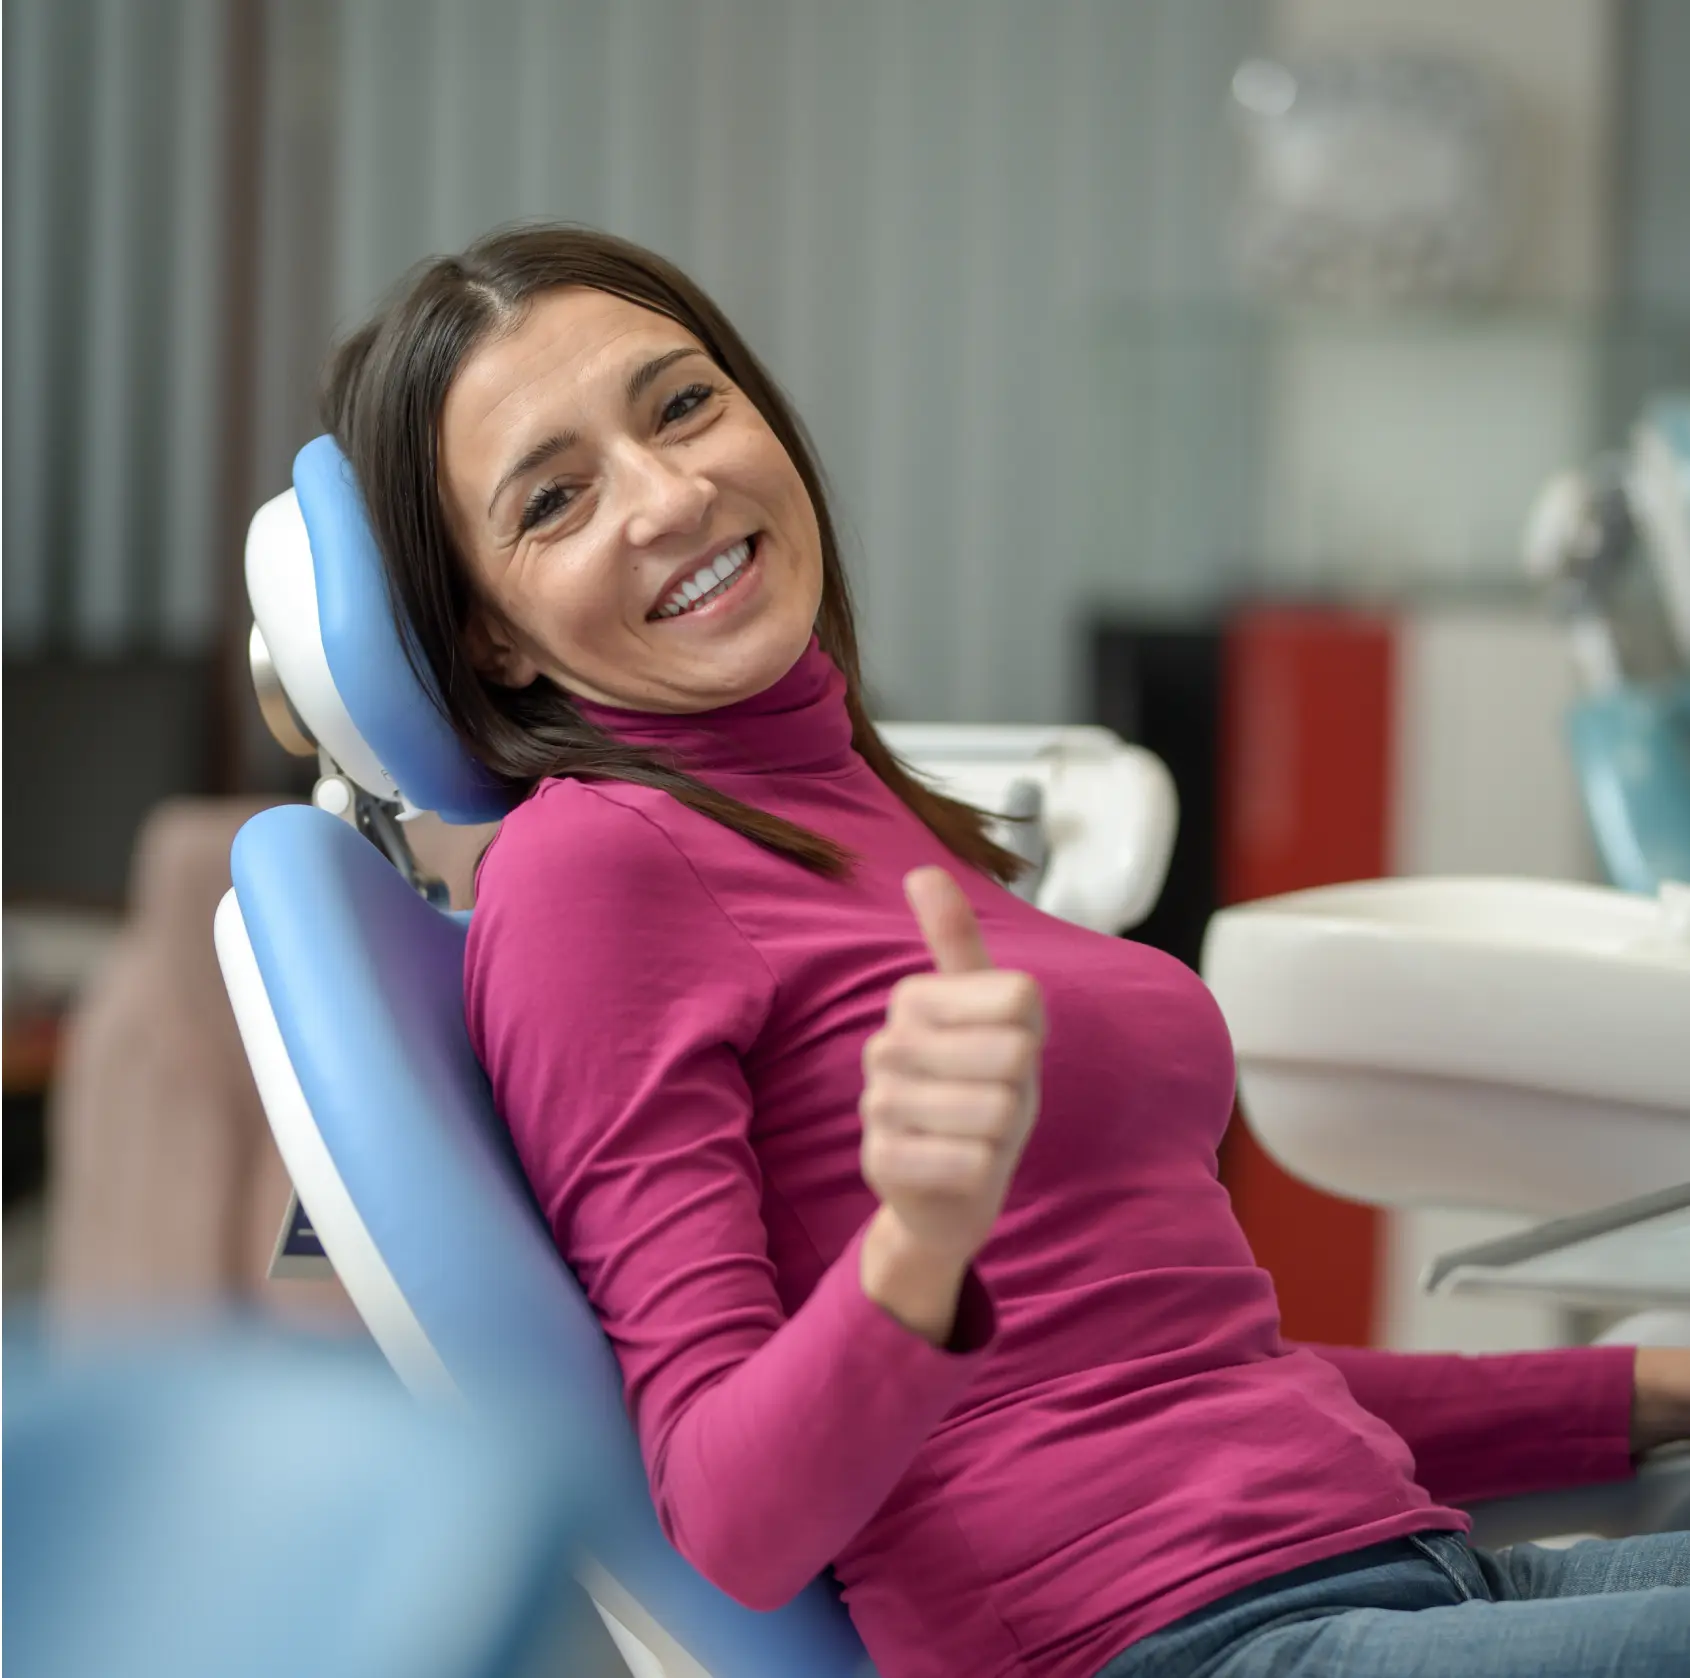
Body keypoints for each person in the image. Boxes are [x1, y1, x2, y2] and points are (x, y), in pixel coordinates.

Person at [321, 224, 1689, 1678]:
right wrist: (917, 1239)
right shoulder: (598, 864)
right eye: (555, 498)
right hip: (1168, 1639)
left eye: (681, 404)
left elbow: (1190, 1377)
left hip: (1380, 1567)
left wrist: (1650, 1386)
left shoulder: (855, 805)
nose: (670, 493)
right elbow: (725, 1517)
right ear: (490, 640)